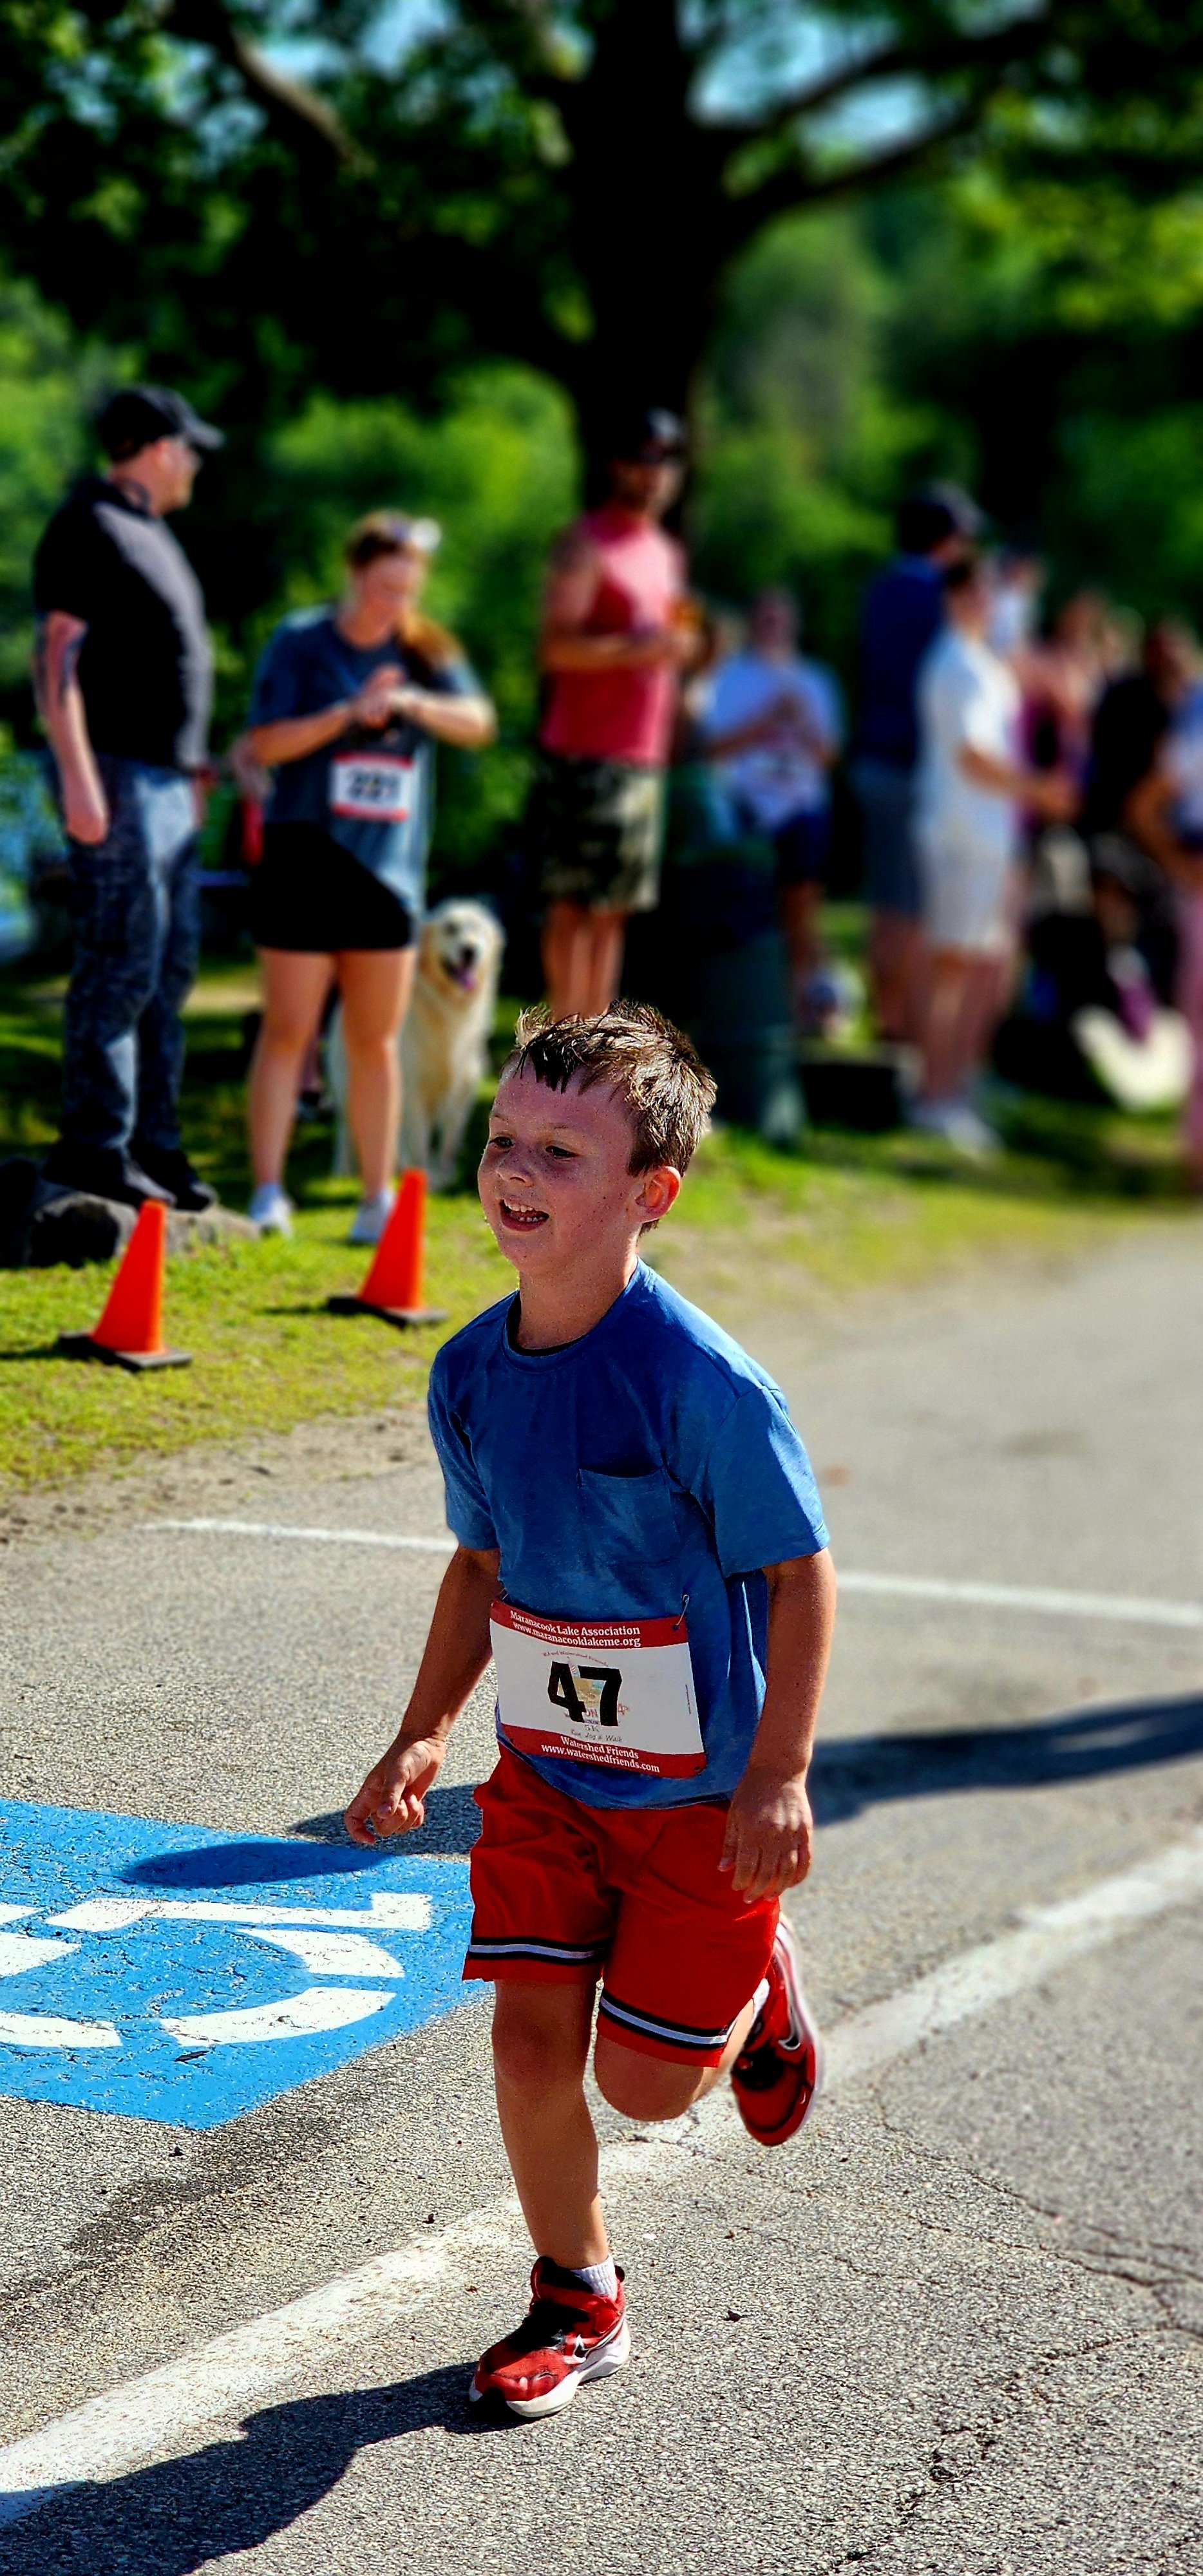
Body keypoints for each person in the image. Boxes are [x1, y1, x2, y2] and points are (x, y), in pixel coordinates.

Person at [345, 1002, 835, 2418]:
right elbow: (481, 1563)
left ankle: (758, 1982)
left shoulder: (698, 1382)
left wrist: (779, 1776)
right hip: (547, 1779)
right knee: (523, 2038)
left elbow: (799, 1577)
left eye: (563, 1151)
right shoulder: (468, 1375)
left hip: (699, 1801)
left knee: (645, 2088)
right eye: (506, 1139)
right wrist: (424, 1730)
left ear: (649, 1193)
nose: (517, 1169)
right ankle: (577, 2286)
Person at [243, 512, 496, 1240]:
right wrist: (348, 714)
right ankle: (267, 1191)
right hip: (303, 858)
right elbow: (264, 742)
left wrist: (413, 702)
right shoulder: (300, 641)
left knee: (374, 1039)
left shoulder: (428, 649)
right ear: (355, 573)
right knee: (288, 1031)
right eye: (384, 584)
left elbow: (478, 721)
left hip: (387, 875)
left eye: (408, 585)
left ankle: (375, 1197)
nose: (395, 600)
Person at [32, 383, 223, 1210]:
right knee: (119, 958)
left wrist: (194, 771)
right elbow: (56, 659)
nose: (195, 463)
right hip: (114, 775)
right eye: (188, 447)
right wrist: (76, 777)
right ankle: (93, 1147)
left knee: (169, 967)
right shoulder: (90, 525)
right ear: (156, 447)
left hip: (168, 781)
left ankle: (155, 1142)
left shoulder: (151, 533)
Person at [529, 409, 697, 1021]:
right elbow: (554, 648)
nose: (656, 474)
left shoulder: (665, 552)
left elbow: (665, 645)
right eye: (644, 459)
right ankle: (561, 1045)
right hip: (583, 752)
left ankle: (593, 1046)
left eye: (668, 460)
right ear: (617, 465)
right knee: (571, 908)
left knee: (614, 910)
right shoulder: (584, 543)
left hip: (640, 757)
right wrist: (640, 651)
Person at [912, 558, 1075, 1151]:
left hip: (989, 838)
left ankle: (959, 1088)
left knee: (983, 968)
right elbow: (971, 758)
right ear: (954, 598)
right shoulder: (953, 663)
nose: (987, 601)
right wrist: (1039, 789)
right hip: (959, 836)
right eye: (976, 591)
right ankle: (934, 1096)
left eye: (990, 592)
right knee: (952, 965)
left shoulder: (984, 663)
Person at [851, 484, 981, 1044]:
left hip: (873, 759)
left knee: (887, 899)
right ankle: (896, 1029)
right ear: (948, 539)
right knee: (907, 908)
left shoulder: (879, 591)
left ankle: (889, 1018)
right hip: (911, 767)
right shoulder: (939, 601)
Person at [701, 589, 843, 1028]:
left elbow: (829, 756)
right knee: (751, 911)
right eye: (765, 620)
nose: (773, 629)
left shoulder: (816, 681)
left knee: (802, 908)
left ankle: (799, 1004)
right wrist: (764, 720)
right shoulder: (730, 678)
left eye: (780, 620)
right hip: (746, 807)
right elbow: (713, 747)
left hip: (801, 806)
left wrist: (799, 719)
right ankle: (748, 1008)